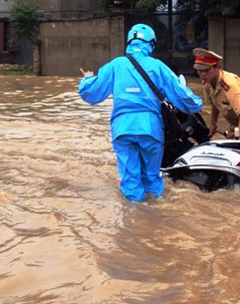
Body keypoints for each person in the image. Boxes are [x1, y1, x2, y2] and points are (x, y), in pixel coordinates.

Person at [79, 23, 202, 202]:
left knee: (130, 180)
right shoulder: (158, 66)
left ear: (129, 41)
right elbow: (182, 97)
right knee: (152, 177)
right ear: (151, 44)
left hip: (122, 130)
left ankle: (134, 221)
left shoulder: (116, 65)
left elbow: (90, 94)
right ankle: (156, 215)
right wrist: (199, 104)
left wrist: (87, 79)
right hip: (151, 130)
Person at [193, 48, 240, 140]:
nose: (202, 74)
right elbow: (215, 105)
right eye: (199, 71)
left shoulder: (230, 85)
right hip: (234, 124)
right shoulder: (207, 82)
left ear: (217, 68)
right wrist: (213, 124)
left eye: (206, 70)